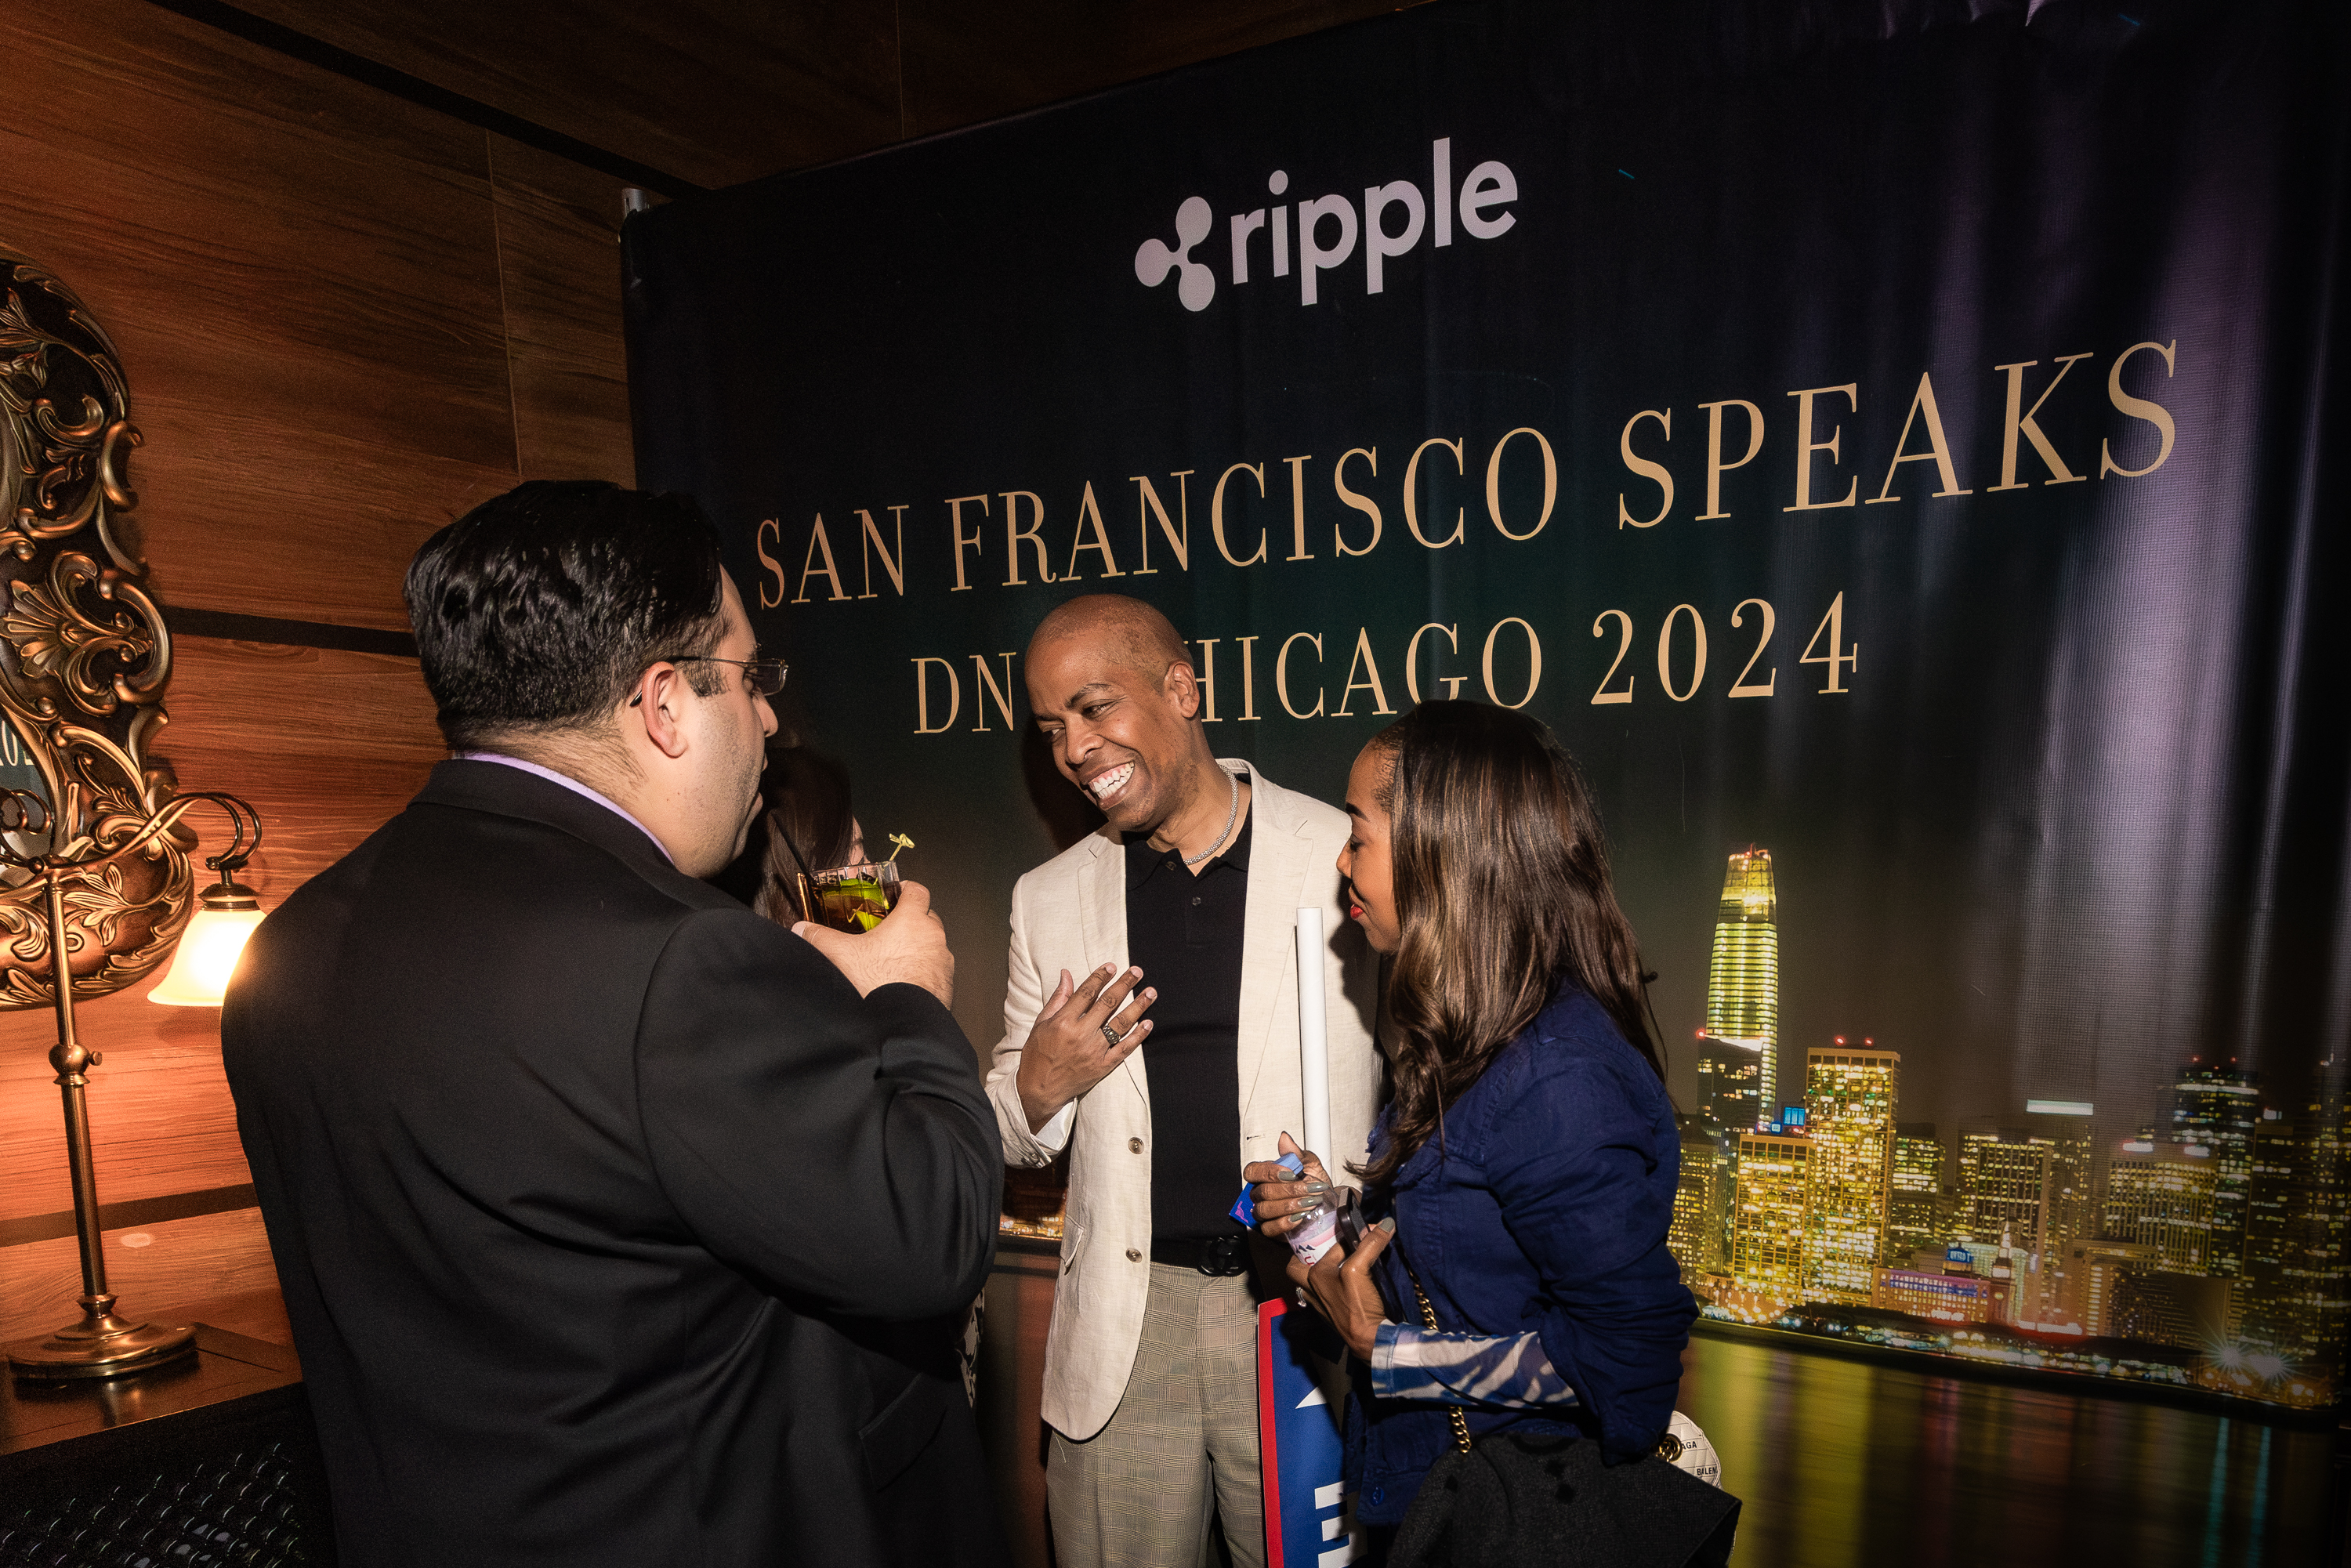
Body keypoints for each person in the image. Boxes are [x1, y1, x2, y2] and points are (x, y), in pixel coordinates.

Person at [221, 480, 1006, 1567]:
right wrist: (904, 995)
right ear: (664, 704)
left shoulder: (287, 947)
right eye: (750, 677)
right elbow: (932, 1234)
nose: (770, 717)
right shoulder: (685, 956)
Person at [987, 593, 1381, 1568]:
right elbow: (1009, 1126)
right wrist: (1038, 1082)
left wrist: (1350, 1196)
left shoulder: (1341, 856)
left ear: (1181, 688)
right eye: (1050, 730)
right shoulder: (1048, 900)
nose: (1075, 749)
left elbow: (1427, 1083)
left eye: (1094, 708)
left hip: (1296, 1315)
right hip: (1126, 1331)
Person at [1248, 700, 1696, 1543]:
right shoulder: (1464, 1042)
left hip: (1515, 1518)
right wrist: (1331, 1221)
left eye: (1359, 834)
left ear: (1442, 853)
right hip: (1432, 1498)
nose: (1342, 862)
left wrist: (1385, 1351)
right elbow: (1469, 1267)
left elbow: (1627, 1367)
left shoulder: (1555, 1077)